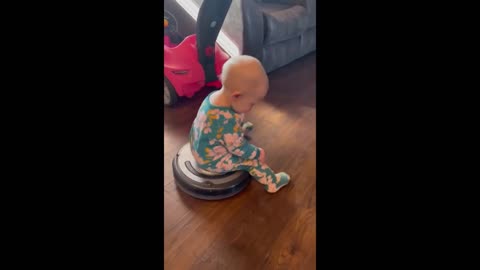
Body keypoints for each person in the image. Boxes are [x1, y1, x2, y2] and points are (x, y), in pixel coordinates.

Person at [189, 55, 290, 193]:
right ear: (236, 96)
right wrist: (256, 153)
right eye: (251, 103)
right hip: (211, 161)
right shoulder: (227, 121)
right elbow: (237, 148)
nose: (252, 107)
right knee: (252, 162)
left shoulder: (213, 97)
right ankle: (273, 182)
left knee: (230, 128)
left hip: (199, 146)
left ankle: (236, 132)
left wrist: (236, 130)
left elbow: (218, 128)